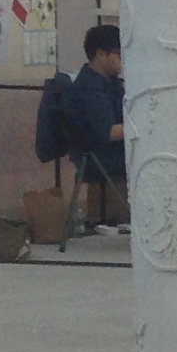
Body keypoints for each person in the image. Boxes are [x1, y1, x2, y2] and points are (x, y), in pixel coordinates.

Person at [63, 23, 129, 230]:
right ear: (101, 54)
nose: (123, 59)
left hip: (110, 153)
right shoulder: (91, 89)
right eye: (119, 53)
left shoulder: (108, 82)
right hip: (101, 158)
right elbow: (109, 132)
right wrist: (146, 126)